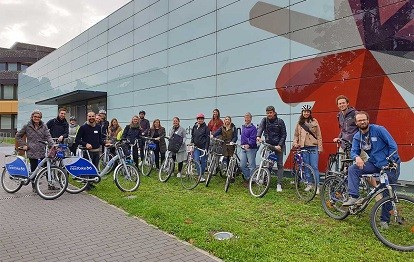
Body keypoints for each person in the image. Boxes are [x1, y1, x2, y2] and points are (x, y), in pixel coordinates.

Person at [342, 111, 400, 229]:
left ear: (368, 120)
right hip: (374, 163)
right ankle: (354, 196)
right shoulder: (357, 136)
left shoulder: (379, 129)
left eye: (364, 119)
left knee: (387, 192)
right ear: (356, 123)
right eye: (359, 120)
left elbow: (393, 145)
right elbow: (354, 151)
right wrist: (356, 157)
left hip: (390, 165)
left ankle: (384, 220)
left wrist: (391, 160)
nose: (362, 122)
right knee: (353, 169)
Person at [15, 110, 54, 192]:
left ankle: (51, 184)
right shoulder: (27, 126)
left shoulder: (44, 126)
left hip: (42, 150)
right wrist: (24, 145)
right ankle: (34, 186)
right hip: (31, 150)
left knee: (47, 167)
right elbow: (18, 136)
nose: (37, 118)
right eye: (35, 116)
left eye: (39, 117)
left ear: (41, 118)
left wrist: (53, 145)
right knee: (34, 169)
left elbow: (48, 136)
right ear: (32, 117)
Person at [293, 105, 323, 194]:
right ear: (302, 113)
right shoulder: (299, 123)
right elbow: (296, 135)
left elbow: (319, 135)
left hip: (313, 147)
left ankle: (317, 185)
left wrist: (320, 148)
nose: (306, 113)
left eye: (308, 111)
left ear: (310, 113)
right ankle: (309, 184)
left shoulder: (314, 121)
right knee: (306, 166)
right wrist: (295, 143)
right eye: (304, 111)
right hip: (303, 147)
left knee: (314, 166)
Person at [256, 105, 287, 192]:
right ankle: (266, 181)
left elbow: (284, 135)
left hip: (278, 146)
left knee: (280, 165)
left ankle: (279, 184)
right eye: (267, 113)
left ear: (274, 112)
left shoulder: (280, 121)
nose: (269, 114)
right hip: (269, 146)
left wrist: (280, 145)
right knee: (267, 164)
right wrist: (258, 136)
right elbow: (260, 128)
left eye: (270, 113)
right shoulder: (264, 120)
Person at [240, 112, 258, 187]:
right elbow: (242, 137)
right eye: (245, 117)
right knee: (242, 165)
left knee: (251, 165)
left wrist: (249, 144)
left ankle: (251, 180)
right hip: (243, 148)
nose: (246, 119)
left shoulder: (253, 128)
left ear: (251, 118)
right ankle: (248, 178)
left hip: (251, 149)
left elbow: (253, 138)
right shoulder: (243, 127)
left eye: (248, 117)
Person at [191, 113, 210, 181]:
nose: (200, 120)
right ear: (197, 120)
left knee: (203, 161)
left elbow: (208, 139)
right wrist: (192, 143)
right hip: (196, 147)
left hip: (203, 148)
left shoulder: (206, 128)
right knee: (196, 160)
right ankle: (199, 174)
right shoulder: (195, 126)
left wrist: (206, 148)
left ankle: (201, 175)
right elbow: (193, 136)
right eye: (199, 119)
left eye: (201, 119)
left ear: (203, 120)